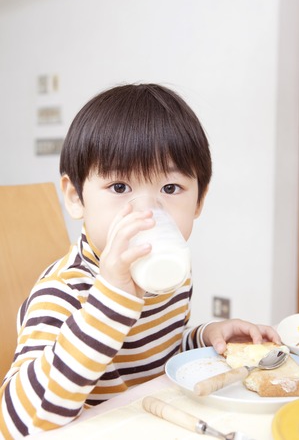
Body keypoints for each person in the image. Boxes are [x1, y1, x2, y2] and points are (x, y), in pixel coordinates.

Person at [0, 83, 280, 438]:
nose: (148, 211)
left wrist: (204, 338)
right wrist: (111, 300)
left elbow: (154, 357)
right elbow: (16, 423)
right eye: (120, 187)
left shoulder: (172, 272)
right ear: (75, 197)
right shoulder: (61, 293)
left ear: (198, 201)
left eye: (170, 188)